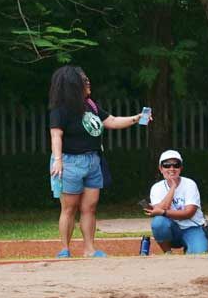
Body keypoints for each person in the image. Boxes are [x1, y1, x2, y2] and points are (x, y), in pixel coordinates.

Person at [48, 65, 147, 258]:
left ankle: (89, 249)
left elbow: (111, 121)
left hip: (93, 161)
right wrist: (58, 160)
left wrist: (137, 118)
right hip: (70, 162)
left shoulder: (90, 105)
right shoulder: (60, 110)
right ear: (73, 85)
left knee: (90, 208)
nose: (88, 82)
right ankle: (65, 250)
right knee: (69, 208)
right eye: (84, 80)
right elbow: (56, 136)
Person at [144, 150, 208, 254]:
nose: (171, 168)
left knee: (199, 254)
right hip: (172, 230)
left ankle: (190, 248)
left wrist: (164, 212)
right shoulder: (157, 188)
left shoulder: (190, 184)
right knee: (158, 222)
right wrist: (173, 188)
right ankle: (168, 253)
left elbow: (189, 213)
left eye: (176, 165)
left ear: (181, 168)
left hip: (192, 228)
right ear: (161, 169)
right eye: (166, 165)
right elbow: (159, 210)